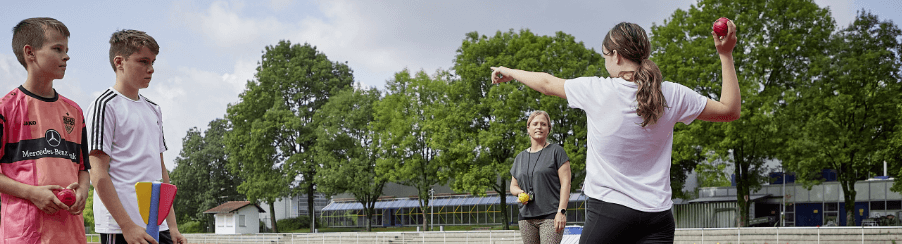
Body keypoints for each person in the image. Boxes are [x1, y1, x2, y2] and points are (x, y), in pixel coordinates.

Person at [491, 20, 740, 243]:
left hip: (609, 215)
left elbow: (546, 83)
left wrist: (510, 71)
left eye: (605, 56)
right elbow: (730, 110)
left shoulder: (597, 90)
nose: (605, 62)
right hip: (658, 218)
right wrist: (726, 54)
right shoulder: (672, 94)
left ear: (617, 56)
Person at [87, 29, 187, 244]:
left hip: (158, 225)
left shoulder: (154, 109)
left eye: (153, 62)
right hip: (122, 228)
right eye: (143, 61)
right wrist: (126, 226)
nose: (150, 69)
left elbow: (160, 173)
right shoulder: (104, 106)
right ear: (119, 62)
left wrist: (172, 226)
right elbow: (97, 173)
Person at [0, 17, 90, 244]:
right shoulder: (6, 109)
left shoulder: (75, 112)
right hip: (23, 235)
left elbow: (84, 168)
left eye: (66, 49)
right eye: (57, 49)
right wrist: (32, 193)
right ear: (30, 53)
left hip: (72, 234)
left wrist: (83, 192)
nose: (66, 56)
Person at [510, 110, 572, 244]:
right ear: (528, 128)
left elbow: (566, 184)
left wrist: (561, 211)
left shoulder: (557, 152)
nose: (539, 127)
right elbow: (513, 186)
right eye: (535, 124)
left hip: (551, 216)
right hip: (526, 218)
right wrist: (520, 193)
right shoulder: (520, 157)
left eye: (543, 124)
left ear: (548, 129)